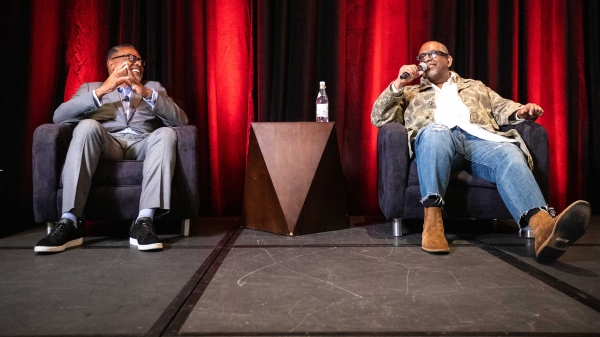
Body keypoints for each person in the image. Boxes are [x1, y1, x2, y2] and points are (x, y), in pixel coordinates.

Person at [371, 41, 591, 262]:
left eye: (433, 54)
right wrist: (399, 82)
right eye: (422, 57)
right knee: (436, 131)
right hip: (437, 142)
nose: (426, 59)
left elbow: (503, 107)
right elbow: (379, 118)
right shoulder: (410, 92)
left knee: (509, 152)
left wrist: (522, 111)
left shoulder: (475, 87)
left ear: (448, 60)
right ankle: (433, 221)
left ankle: (542, 228)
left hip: (479, 141)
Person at [35, 44, 188, 253]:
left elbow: (180, 120)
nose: (138, 65)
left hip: (143, 143)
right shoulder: (90, 88)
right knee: (87, 126)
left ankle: (143, 222)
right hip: (107, 143)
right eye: (131, 58)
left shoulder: (154, 87)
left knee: (166, 133)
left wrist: (146, 93)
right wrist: (104, 89)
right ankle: (69, 222)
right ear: (111, 63)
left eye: (140, 61)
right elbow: (59, 117)